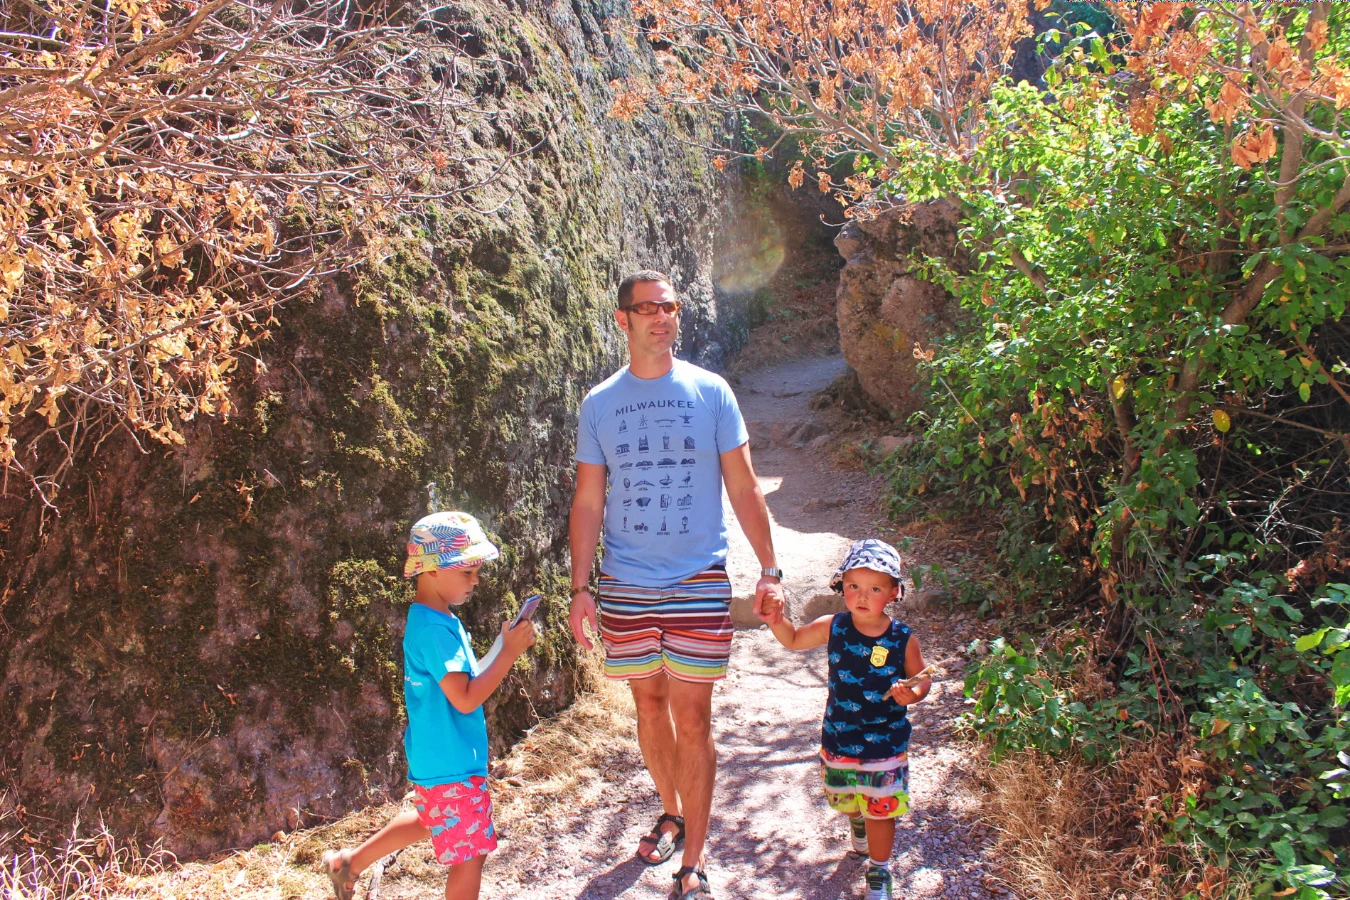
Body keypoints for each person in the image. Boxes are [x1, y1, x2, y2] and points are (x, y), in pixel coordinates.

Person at [567, 270, 784, 900]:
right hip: (626, 582)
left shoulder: (711, 391)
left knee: (693, 717)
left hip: (697, 578)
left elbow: (743, 485)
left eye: (670, 307)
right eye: (648, 309)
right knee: (648, 705)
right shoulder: (599, 402)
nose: (662, 318)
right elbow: (588, 501)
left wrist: (769, 570)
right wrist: (582, 587)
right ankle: (672, 808)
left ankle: (693, 858)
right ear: (623, 320)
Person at [322, 512, 536, 900]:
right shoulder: (436, 630)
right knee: (469, 856)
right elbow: (466, 696)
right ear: (433, 570)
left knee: (430, 819)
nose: (475, 581)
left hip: (437, 755)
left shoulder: (434, 619)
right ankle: (349, 864)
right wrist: (511, 655)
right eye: (467, 571)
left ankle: (348, 864)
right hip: (451, 760)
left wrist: (502, 648)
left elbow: (465, 679)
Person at [759, 539, 931, 900]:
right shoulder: (834, 627)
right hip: (839, 737)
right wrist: (776, 620)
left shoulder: (902, 639)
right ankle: (858, 821)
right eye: (854, 586)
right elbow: (792, 639)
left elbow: (923, 679)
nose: (862, 596)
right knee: (848, 800)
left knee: (881, 810)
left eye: (874, 588)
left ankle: (880, 873)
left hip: (886, 741)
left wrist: (911, 694)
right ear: (841, 587)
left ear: (893, 592)